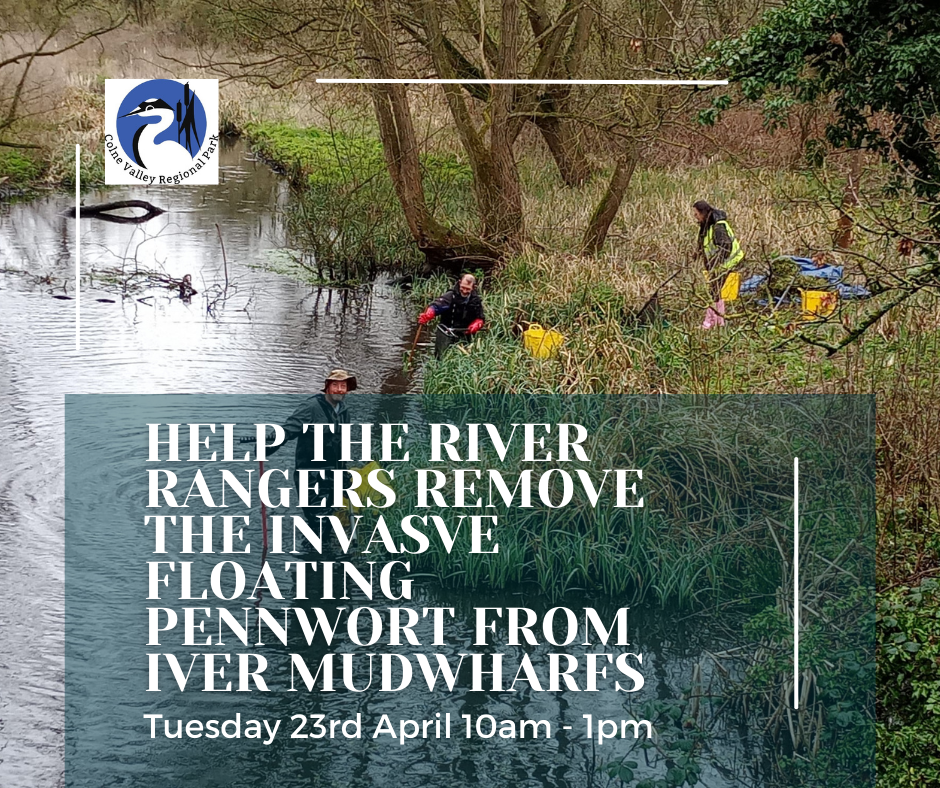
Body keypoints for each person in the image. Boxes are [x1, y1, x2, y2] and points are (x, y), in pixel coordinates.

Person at [266, 369, 356, 556]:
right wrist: (267, 445)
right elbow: (288, 430)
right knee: (318, 522)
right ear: (327, 388)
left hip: (334, 476)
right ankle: (312, 565)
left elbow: (342, 446)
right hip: (311, 476)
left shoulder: (344, 412)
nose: (339, 390)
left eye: (343, 386)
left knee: (327, 520)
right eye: (335, 385)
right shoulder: (311, 408)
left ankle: (321, 562)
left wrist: (345, 473)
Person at [693, 200, 744, 329]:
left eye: (696, 214)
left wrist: (716, 264)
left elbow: (725, 246)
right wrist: (697, 254)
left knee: (713, 292)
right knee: (716, 292)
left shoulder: (718, 226)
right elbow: (705, 243)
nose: (695, 217)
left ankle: (710, 323)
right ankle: (719, 322)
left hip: (728, 262)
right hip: (719, 265)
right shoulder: (707, 226)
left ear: (703, 213)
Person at [418, 273, 485, 357]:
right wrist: (429, 313)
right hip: (446, 333)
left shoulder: (476, 300)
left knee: (463, 356)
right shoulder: (450, 296)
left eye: (467, 289)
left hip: (465, 334)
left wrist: (477, 324)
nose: (464, 291)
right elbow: (436, 306)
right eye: (463, 287)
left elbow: (480, 317)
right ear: (460, 282)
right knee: (442, 356)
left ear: (473, 287)